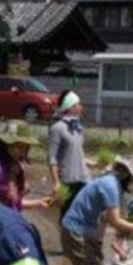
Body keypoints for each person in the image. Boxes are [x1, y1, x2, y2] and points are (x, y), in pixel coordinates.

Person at [48, 90, 92, 219]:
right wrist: (56, 182)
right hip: (67, 182)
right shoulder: (57, 128)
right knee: (67, 216)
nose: (81, 107)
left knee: (82, 216)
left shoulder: (78, 128)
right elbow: (52, 157)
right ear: (71, 107)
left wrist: (91, 162)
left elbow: (77, 153)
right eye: (78, 105)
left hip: (83, 180)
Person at [0, 120, 52, 213]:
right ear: (6, 145)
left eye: (25, 147)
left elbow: (15, 203)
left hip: (12, 219)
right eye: (17, 146)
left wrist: (38, 202)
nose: (21, 151)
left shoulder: (19, 166)